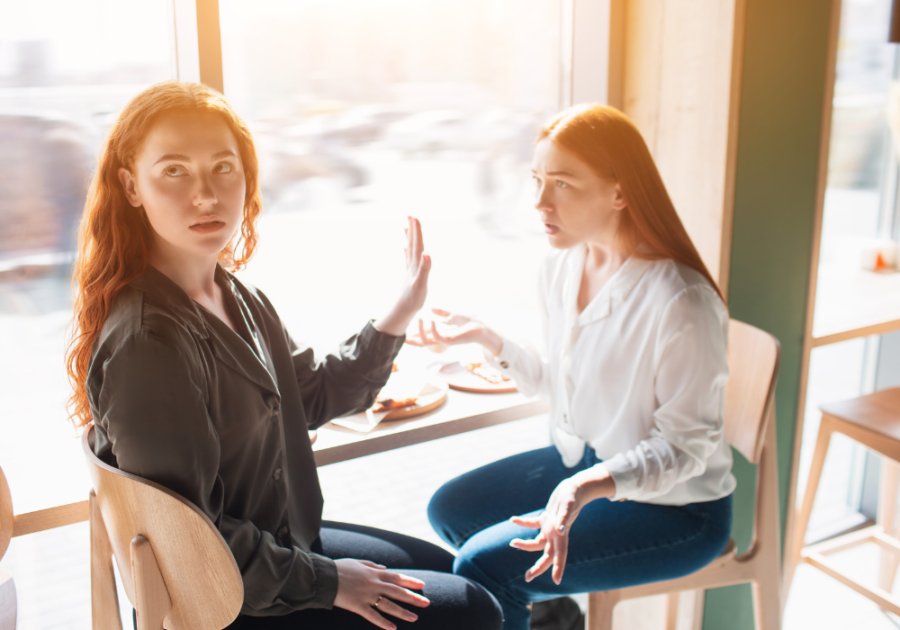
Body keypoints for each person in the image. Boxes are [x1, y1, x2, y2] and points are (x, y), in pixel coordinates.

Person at [65, 81, 502, 630]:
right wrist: (331, 581)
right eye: (174, 170)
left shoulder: (235, 296)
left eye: (223, 167)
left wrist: (398, 312)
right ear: (131, 186)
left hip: (280, 546)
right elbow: (191, 547)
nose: (205, 194)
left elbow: (311, 396)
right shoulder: (149, 342)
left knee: (463, 573)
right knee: (474, 611)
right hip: (228, 600)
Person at [411, 104, 736, 630]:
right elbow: (562, 388)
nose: (539, 201)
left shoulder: (683, 301)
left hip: (678, 508)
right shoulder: (563, 266)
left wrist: (584, 487)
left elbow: (686, 448)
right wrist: (487, 338)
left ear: (620, 192)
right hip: (584, 462)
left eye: (561, 184)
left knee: (483, 566)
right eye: (537, 179)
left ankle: (528, 602)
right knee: (450, 510)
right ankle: (553, 612)